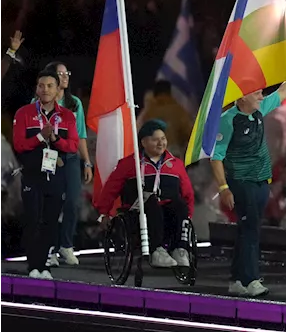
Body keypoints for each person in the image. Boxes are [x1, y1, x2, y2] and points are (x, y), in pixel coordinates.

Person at [211, 77, 286, 297]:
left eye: (262, 93)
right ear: (242, 96)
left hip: (262, 182)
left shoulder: (259, 110)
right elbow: (216, 157)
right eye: (257, 93)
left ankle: (236, 280)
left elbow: (283, 90)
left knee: (247, 230)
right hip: (241, 183)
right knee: (251, 230)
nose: (262, 97)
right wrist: (224, 188)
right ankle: (251, 279)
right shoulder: (227, 120)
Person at [94, 120, 196, 268]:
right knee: (151, 201)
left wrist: (188, 214)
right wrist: (104, 212)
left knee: (180, 205)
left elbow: (188, 193)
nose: (161, 143)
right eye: (155, 140)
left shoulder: (175, 164)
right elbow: (111, 188)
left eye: (163, 139)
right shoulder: (129, 164)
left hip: (168, 210)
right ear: (143, 142)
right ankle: (157, 251)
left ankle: (180, 249)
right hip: (138, 211)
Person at [11, 69, 80, 278]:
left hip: (56, 173)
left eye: (50, 86)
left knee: (50, 221)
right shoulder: (24, 113)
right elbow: (19, 144)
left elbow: (73, 146)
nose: (45, 90)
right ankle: (33, 265)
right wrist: (41, 137)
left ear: (58, 89)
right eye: (41, 86)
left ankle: (44, 266)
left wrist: (56, 140)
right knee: (33, 219)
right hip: (32, 173)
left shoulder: (67, 115)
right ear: (36, 89)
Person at [41, 62, 92, 268]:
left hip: (70, 156)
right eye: (60, 73)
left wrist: (87, 162)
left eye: (66, 73)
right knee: (50, 203)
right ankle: (49, 248)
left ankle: (66, 245)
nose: (64, 77)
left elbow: (81, 135)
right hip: (48, 156)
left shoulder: (75, 103)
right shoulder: (40, 101)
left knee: (73, 201)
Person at [138, 80, 194, 153]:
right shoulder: (178, 111)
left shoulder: (148, 113)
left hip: (152, 154)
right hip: (173, 153)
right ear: (169, 92)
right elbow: (189, 134)